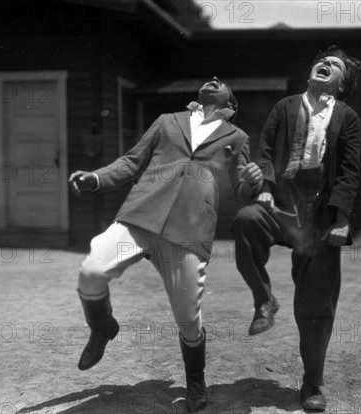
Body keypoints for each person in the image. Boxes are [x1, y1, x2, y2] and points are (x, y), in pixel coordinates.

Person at [69, 77, 262, 413]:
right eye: (209, 80)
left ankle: (196, 381)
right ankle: (103, 327)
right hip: (142, 212)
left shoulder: (237, 137)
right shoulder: (167, 121)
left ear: (230, 103)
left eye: (222, 83)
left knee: (188, 316)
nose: (213, 79)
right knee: (92, 270)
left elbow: (242, 187)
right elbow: (131, 162)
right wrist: (96, 178)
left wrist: (251, 183)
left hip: (189, 228)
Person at [232, 47, 361, 411]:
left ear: (341, 85)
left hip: (320, 212)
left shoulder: (348, 118)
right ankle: (264, 301)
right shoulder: (285, 107)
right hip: (282, 201)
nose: (326, 65)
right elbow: (264, 152)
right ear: (311, 72)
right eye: (323, 61)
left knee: (316, 303)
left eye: (336, 66)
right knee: (246, 221)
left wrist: (341, 219)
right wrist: (265, 190)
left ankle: (312, 383)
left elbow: (350, 172)